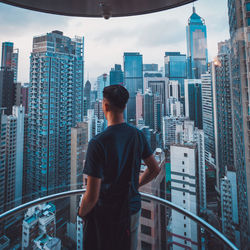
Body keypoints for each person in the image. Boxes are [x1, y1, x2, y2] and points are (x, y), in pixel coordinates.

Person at [78, 84, 161, 250]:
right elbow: (154, 168)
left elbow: (92, 195)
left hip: (106, 214)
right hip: (131, 209)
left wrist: (81, 212)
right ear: (124, 106)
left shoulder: (98, 143)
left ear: (105, 106)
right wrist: (135, 184)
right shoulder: (137, 135)